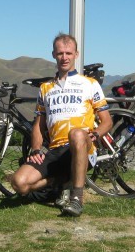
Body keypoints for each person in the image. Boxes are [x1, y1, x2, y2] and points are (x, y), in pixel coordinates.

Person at [10, 33, 112, 217]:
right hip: (55, 150)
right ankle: (60, 181)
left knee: (76, 134)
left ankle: (76, 199)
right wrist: (35, 150)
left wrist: (95, 135)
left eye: (68, 53)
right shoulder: (46, 88)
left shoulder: (90, 84)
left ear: (76, 54)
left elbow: (107, 121)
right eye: (60, 53)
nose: (64, 57)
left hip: (82, 146)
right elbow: (39, 124)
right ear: (53, 55)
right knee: (19, 182)